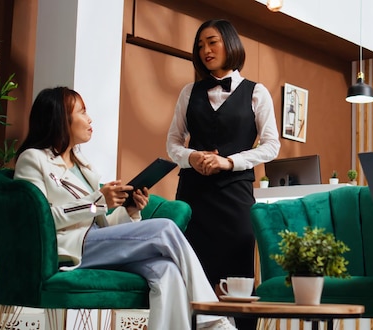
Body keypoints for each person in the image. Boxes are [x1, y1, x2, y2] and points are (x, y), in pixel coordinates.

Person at [14, 87, 236, 330]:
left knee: (167, 270)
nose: (90, 119)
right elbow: (38, 218)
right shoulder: (33, 159)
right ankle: (213, 320)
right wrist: (97, 203)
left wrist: (130, 210)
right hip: (67, 247)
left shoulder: (84, 166)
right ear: (60, 118)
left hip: (96, 244)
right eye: (83, 112)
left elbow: (101, 224)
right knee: (164, 228)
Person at [166, 18, 280, 330]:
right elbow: (172, 143)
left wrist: (229, 162)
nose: (205, 50)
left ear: (230, 43)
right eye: (200, 45)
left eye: (212, 41)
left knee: (238, 276)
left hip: (235, 196)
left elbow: (271, 146)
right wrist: (192, 157)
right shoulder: (189, 92)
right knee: (192, 274)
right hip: (194, 197)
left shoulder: (257, 93)